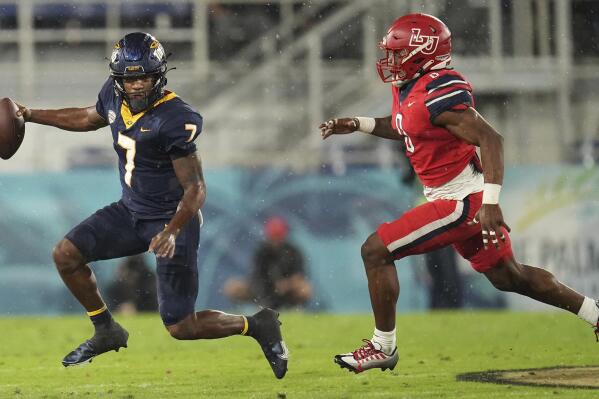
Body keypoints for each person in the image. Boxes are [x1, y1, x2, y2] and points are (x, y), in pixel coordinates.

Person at [319, 13, 599, 374]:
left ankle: (382, 347)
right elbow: (406, 126)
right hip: (455, 198)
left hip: (462, 201)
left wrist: (492, 203)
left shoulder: (440, 92)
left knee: (375, 250)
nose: (391, 61)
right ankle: (595, 312)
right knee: (508, 277)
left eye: (398, 52)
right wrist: (359, 123)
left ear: (424, 52)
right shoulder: (410, 86)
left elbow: (491, 138)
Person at [15, 32, 288, 378]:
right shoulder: (113, 98)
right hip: (130, 212)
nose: (138, 86)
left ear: (159, 75)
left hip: (170, 219)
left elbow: (196, 188)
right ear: (119, 80)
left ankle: (257, 324)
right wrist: (31, 114)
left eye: (144, 77)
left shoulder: (175, 118)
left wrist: (173, 231)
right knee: (65, 254)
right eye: (130, 79)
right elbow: (87, 117)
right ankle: (106, 328)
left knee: (181, 326)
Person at [224, 216, 312, 309]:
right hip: (263, 289)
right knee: (232, 287)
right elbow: (256, 277)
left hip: (287, 292)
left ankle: (297, 312)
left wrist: (286, 284)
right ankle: (239, 314)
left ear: (284, 235)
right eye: (274, 236)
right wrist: (268, 290)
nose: (276, 240)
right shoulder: (261, 252)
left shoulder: (292, 251)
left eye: (278, 235)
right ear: (268, 235)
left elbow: (299, 275)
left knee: (305, 289)